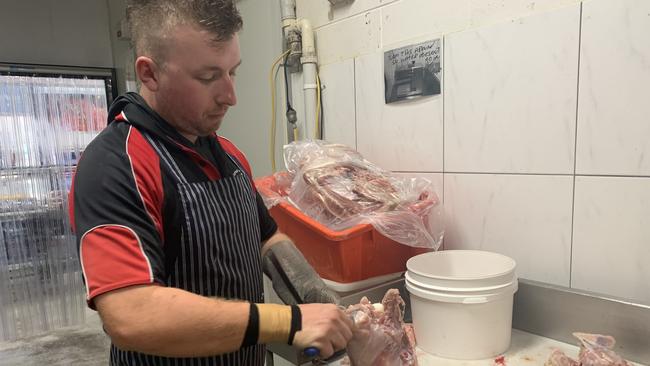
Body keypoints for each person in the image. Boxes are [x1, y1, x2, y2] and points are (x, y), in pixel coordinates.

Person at [68, 1, 353, 365]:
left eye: (233, 72)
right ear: (150, 73)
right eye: (208, 77)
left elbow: (266, 238)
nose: (230, 96)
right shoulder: (115, 164)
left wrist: (317, 298)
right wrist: (291, 321)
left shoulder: (230, 156)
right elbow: (130, 314)